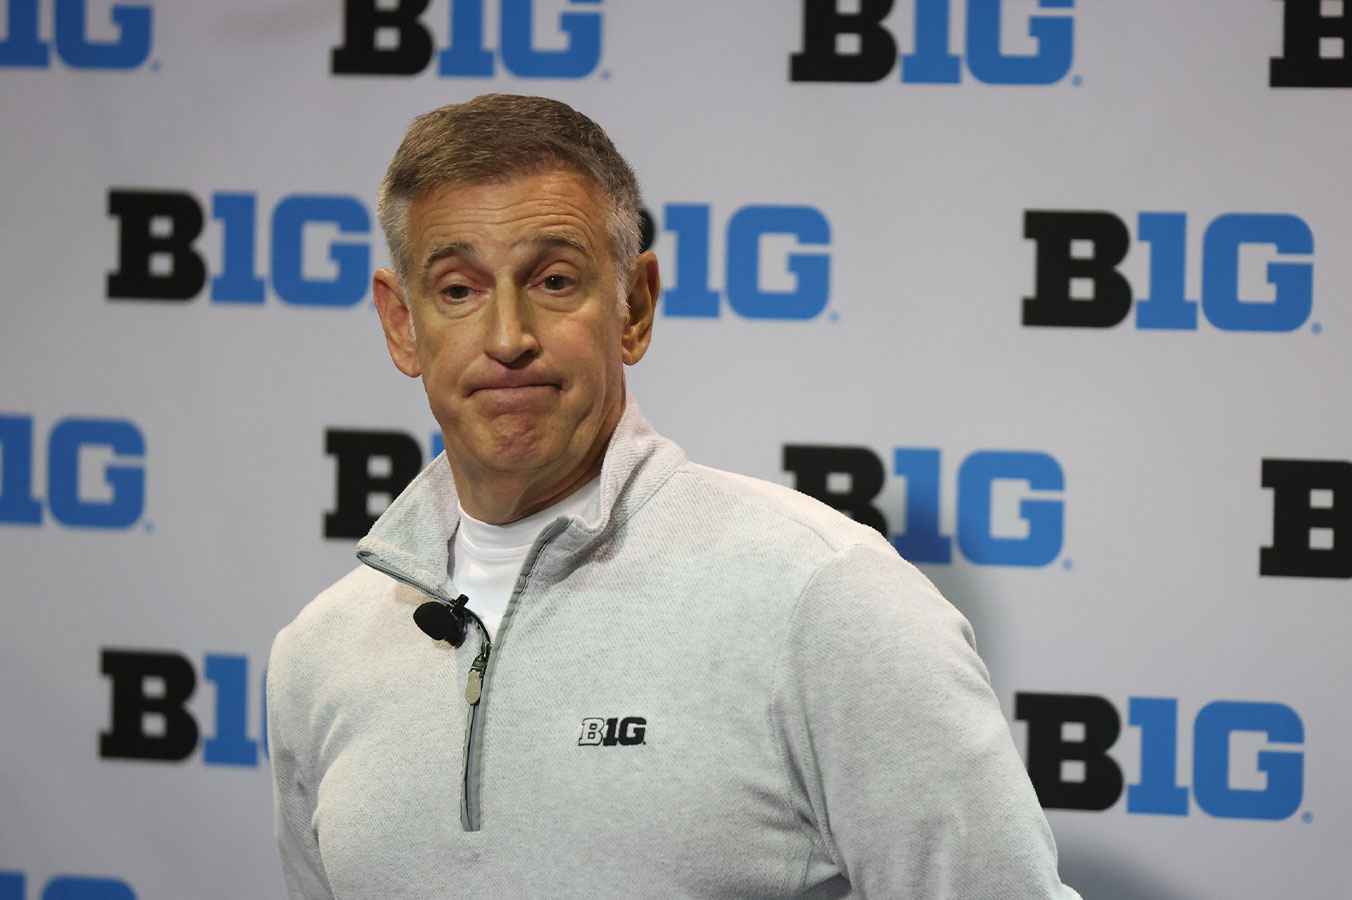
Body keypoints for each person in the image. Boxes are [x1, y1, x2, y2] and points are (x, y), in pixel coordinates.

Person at [267, 93, 1080, 900]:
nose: (508, 337)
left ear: (634, 306)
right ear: (402, 324)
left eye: (554, 281)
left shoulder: (822, 596)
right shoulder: (319, 654)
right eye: (458, 290)